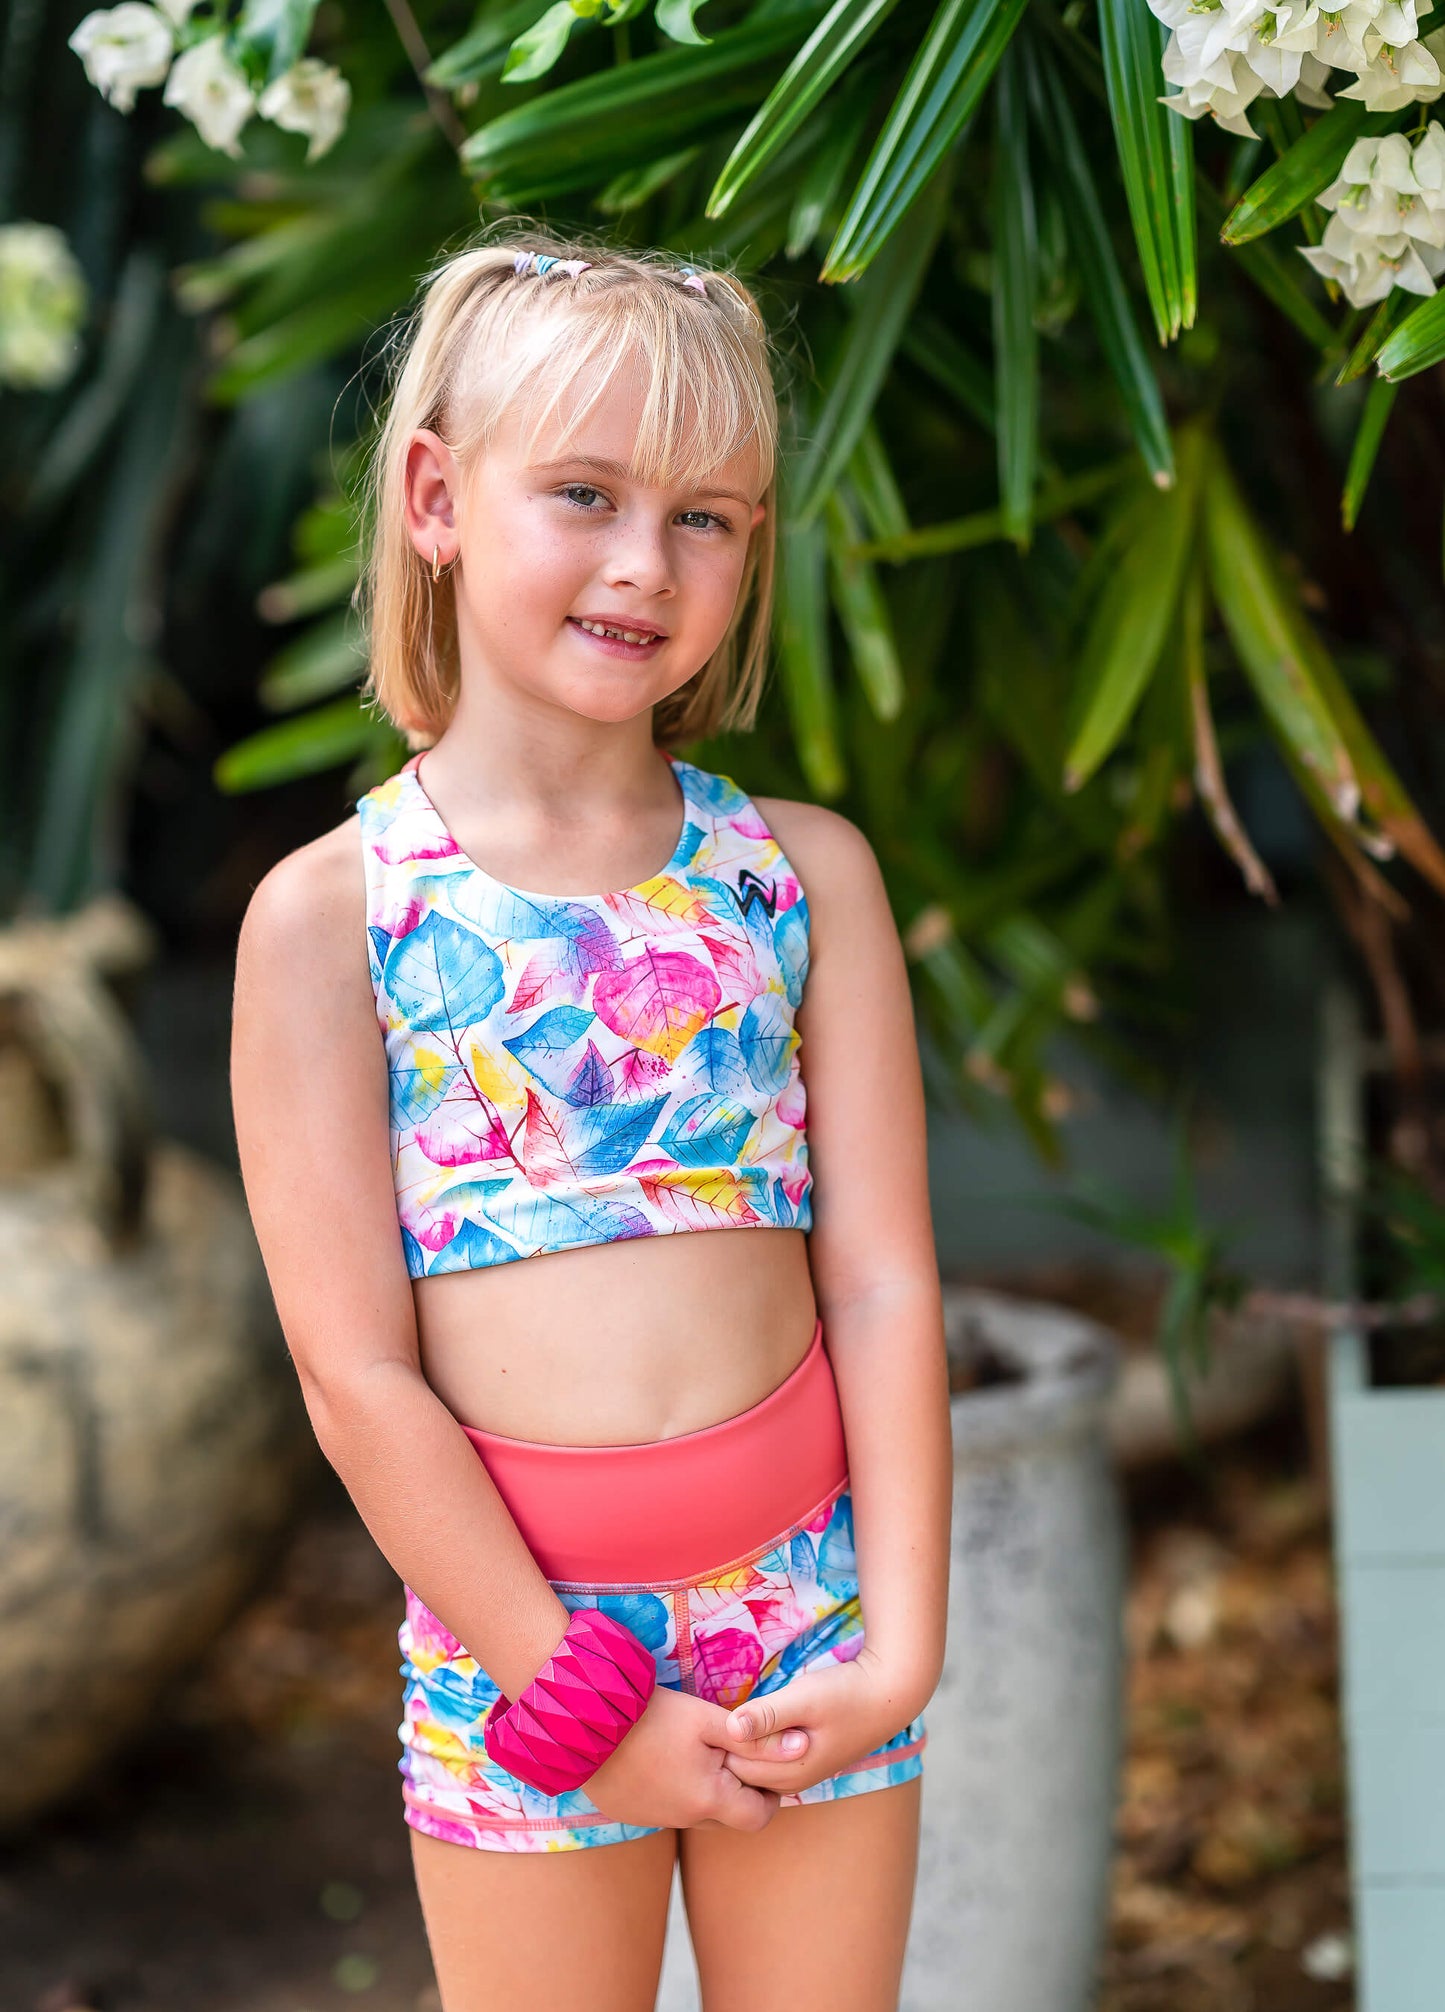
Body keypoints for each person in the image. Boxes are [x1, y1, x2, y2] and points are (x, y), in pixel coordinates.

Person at [230, 224, 952, 2012]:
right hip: (523, 1654)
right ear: (435, 497)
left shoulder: (799, 879)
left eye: (706, 516)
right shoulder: (332, 919)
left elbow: (880, 1285)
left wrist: (898, 1651)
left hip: (809, 1618)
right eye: (584, 493)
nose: (645, 562)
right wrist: (579, 1700)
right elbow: (354, 1376)